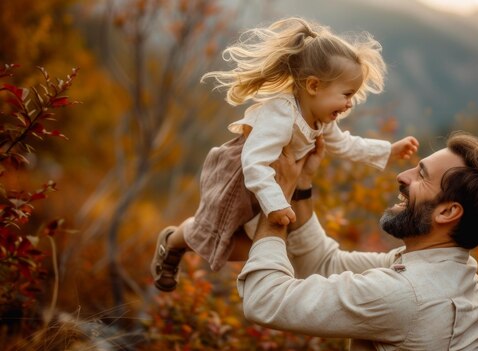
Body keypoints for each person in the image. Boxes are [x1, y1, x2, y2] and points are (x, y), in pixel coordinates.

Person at [150, 17, 419, 292]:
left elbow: (345, 144)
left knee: (256, 247)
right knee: (212, 236)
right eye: (346, 94)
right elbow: (253, 162)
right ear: (314, 86)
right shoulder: (281, 114)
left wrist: (388, 150)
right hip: (240, 179)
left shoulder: (322, 118)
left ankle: (187, 241)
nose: (349, 103)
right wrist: (276, 203)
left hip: (271, 185)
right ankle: (173, 240)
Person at [237, 131, 478, 350]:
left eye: (421, 175)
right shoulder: (452, 272)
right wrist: (301, 184)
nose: (401, 176)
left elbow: (264, 300)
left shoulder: (405, 293)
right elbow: (324, 263)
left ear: (448, 212)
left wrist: (275, 196)